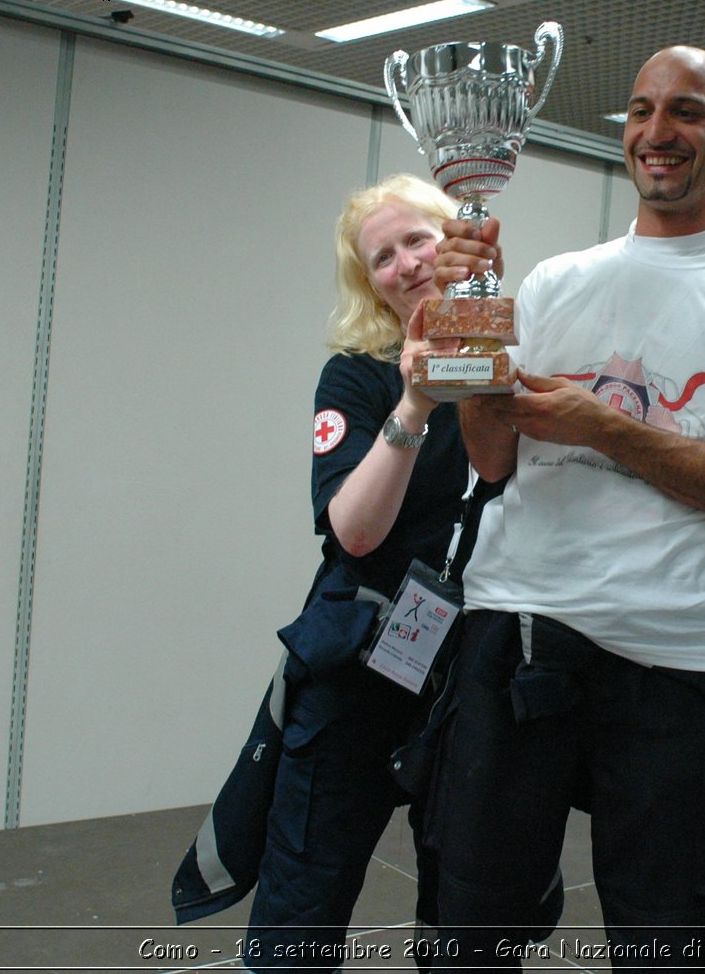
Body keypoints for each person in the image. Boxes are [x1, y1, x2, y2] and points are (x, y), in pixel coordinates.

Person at [423, 45, 705, 967]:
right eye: (642, 110)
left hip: (673, 652)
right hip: (519, 625)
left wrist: (604, 428)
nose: (658, 133)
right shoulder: (554, 280)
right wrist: (470, 309)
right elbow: (493, 459)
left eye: (686, 113)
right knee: (469, 924)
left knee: (673, 937)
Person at [192, 174, 557, 970]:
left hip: (474, 671)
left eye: (418, 239)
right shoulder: (356, 378)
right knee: (303, 901)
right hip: (360, 662)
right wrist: (416, 402)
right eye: (381, 257)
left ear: (453, 241)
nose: (405, 264)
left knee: (473, 914)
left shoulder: (517, 355)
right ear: (371, 282)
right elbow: (354, 533)